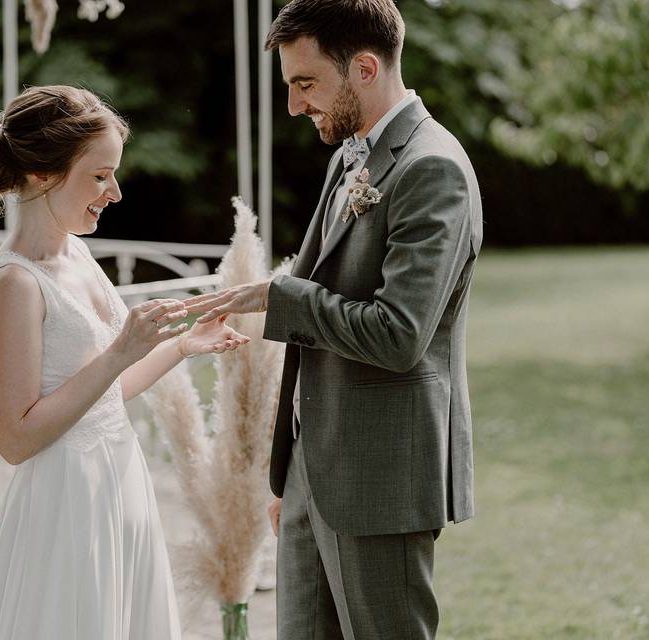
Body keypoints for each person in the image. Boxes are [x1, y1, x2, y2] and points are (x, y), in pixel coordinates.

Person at [184, 1, 483, 638]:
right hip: (311, 472)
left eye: (305, 83)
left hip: (380, 478)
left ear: (366, 68)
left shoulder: (432, 168)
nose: (294, 104)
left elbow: (400, 336)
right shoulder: (351, 156)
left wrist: (280, 297)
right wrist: (288, 473)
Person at [0, 85, 249, 639]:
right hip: (65, 504)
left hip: (118, 481)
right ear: (42, 175)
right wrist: (118, 352)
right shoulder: (17, 281)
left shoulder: (78, 251)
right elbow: (13, 439)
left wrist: (180, 345)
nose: (114, 192)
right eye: (99, 175)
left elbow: (100, 394)